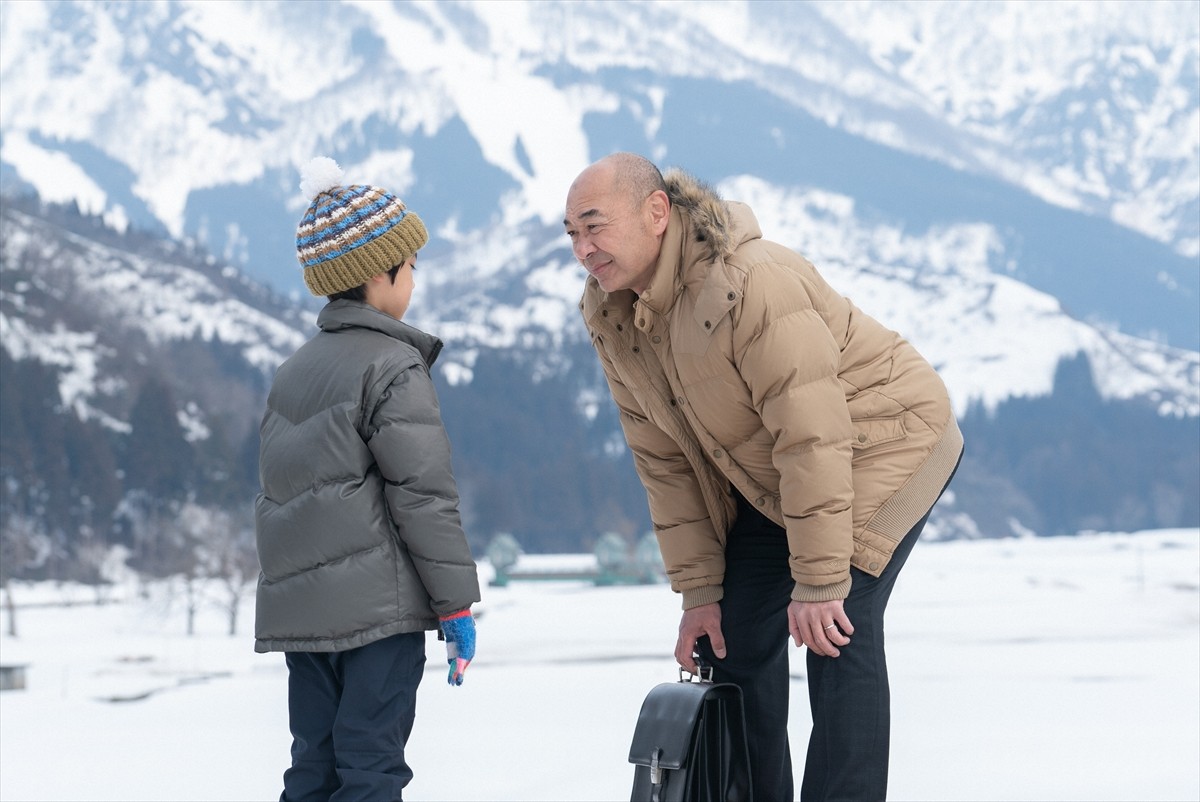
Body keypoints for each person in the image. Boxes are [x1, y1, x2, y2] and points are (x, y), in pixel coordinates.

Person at [565, 153, 963, 801]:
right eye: (571, 234)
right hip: (777, 472)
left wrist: (821, 579)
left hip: (886, 439)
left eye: (594, 226)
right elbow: (667, 466)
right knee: (733, 636)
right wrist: (700, 594)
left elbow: (814, 438)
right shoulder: (616, 319)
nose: (583, 248)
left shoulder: (752, 283)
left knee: (837, 624)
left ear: (657, 213)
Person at [254, 156, 481, 801]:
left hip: (304, 616)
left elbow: (285, 497)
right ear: (378, 276)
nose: (413, 280)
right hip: (379, 616)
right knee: (371, 767)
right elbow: (423, 497)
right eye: (408, 266)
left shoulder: (293, 371)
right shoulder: (392, 366)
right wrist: (455, 605)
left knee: (313, 768)